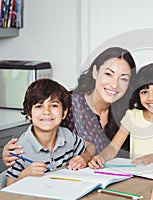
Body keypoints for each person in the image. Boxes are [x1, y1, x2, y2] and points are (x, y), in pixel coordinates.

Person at [2, 47, 136, 167]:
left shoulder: (127, 112)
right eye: (108, 74)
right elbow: (37, 134)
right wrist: (13, 152)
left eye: (123, 79)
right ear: (95, 72)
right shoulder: (67, 104)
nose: (114, 85)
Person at [88, 62, 153, 168]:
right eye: (144, 92)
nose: (151, 98)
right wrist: (101, 157)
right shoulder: (132, 116)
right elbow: (113, 148)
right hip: (136, 180)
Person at [6, 79, 96, 185]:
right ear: (29, 114)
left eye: (54, 105)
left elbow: (91, 147)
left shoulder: (67, 137)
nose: (47, 112)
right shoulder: (20, 149)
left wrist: (84, 158)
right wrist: (25, 175)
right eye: (39, 106)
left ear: (64, 113)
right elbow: (9, 187)